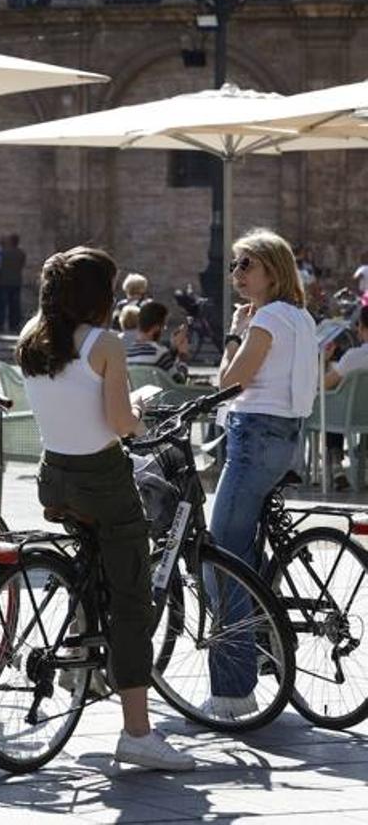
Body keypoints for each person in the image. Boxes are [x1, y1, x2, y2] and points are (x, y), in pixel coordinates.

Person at [18, 245, 194, 770]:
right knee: (133, 600)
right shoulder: (106, 343)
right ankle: (137, 732)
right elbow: (119, 423)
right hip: (102, 479)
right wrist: (139, 414)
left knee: (94, 568)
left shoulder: (32, 338)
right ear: (97, 295)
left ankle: (82, 654)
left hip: (54, 478)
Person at [212, 229, 319, 712]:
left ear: (273, 271)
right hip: (287, 437)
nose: (236, 274)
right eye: (235, 265)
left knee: (222, 560)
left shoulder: (268, 318)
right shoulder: (300, 317)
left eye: (246, 265)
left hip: (254, 435)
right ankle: (265, 649)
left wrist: (236, 331)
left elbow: (229, 381)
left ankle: (234, 691)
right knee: (251, 556)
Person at [322, 305, 368, 489]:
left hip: (349, 417)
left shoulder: (354, 356)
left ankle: (335, 460)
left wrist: (324, 360)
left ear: (363, 327)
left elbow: (324, 385)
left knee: (330, 404)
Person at [126, 300, 190, 382]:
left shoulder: (128, 353)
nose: (165, 329)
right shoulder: (159, 352)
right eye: (164, 325)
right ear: (156, 327)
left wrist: (173, 349)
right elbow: (179, 381)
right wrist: (183, 357)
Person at [0, 232, 26, 334]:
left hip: (3, 281)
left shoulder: (3, 253)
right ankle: (14, 325)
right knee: (15, 305)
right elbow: (22, 265)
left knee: (1, 305)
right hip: (16, 281)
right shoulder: (21, 253)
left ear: (11, 242)